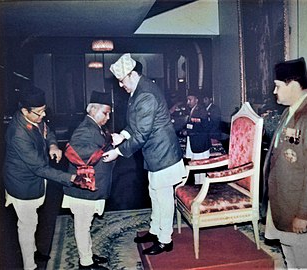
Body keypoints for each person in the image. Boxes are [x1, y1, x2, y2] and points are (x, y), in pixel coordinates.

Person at [102, 53, 186, 255]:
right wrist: (122, 135)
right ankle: (155, 230)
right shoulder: (140, 89)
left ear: (131, 74)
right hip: (155, 154)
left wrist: (118, 152)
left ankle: (165, 240)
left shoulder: (145, 94)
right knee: (154, 194)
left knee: (163, 197)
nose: (121, 86)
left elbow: (141, 135)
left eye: (122, 81)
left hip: (163, 154)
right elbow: (136, 124)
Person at [263, 57, 307, 268]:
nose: (274, 92)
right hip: (286, 206)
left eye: (277, 86)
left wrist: (304, 215)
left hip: (304, 214)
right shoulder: (291, 110)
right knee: (292, 261)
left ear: (292, 84)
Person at [3, 85, 77, 270]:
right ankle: (30, 266)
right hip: (22, 183)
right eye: (39, 112)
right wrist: (70, 178)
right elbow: (39, 168)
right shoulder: (18, 134)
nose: (43, 116)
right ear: (24, 111)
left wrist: (53, 145)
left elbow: (47, 130)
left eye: (44, 111)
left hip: (35, 178)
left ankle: (33, 250)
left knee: (33, 220)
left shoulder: (35, 118)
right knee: (27, 226)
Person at [62, 91, 116, 269]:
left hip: (90, 187)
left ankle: (88, 255)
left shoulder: (93, 126)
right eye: (105, 113)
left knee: (86, 224)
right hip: (83, 188)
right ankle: (86, 263)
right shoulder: (86, 129)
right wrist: (103, 154)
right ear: (93, 110)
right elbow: (74, 152)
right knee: (82, 225)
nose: (108, 117)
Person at [182, 91, 211, 184]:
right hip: (193, 142)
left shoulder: (201, 110)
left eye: (190, 100)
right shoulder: (191, 110)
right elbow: (190, 124)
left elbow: (204, 127)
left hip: (200, 143)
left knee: (201, 167)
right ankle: (197, 186)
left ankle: (201, 187)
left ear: (196, 100)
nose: (188, 102)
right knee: (195, 166)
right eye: (187, 100)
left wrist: (189, 132)